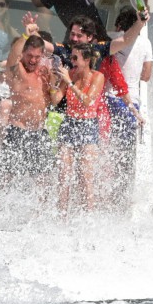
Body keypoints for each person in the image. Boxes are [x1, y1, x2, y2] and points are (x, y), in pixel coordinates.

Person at [51, 43, 105, 213]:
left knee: (85, 177)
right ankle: (62, 217)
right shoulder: (70, 74)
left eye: (75, 58)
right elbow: (55, 100)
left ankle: (87, 217)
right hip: (68, 123)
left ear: (87, 59)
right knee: (63, 175)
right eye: (71, 57)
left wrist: (69, 83)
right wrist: (52, 82)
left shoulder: (97, 76)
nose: (71, 61)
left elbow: (88, 101)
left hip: (87, 126)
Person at [0, 35, 56, 182]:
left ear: (42, 55)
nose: (33, 60)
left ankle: (42, 206)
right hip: (18, 131)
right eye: (29, 55)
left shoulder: (45, 75)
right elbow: (12, 55)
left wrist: (53, 81)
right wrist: (26, 35)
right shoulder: (17, 72)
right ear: (23, 54)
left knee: (44, 181)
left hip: (39, 132)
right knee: (7, 179)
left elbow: (54, 99)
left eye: (37, 56)